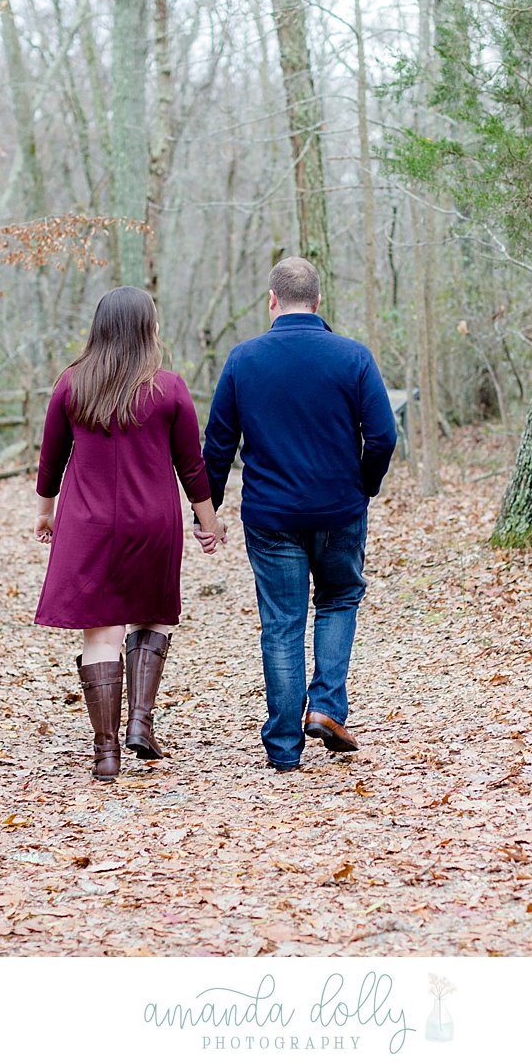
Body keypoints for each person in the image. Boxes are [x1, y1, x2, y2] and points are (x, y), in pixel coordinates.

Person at [201, 257, 397, 772]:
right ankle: (327, 708)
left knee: (282, 624)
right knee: (337, 601)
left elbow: (218, 443)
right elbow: (383, 436)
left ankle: (285, 749)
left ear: (272, 301)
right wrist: (364, 485)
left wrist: (209, 511)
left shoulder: (244, 360)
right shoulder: (353, 357)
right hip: (339, 511)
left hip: (271, 517)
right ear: (317, 302)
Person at [33, 286, 224, 782]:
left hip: (88, 525)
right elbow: (192, 465)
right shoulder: (170, 388)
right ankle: (140, 719)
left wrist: (45, 511)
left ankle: (106, 753)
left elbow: (51, 459)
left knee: (102, 631)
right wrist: (209, 523)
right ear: (147, 330)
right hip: (154, 522)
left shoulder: (72, 386)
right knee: (154, 615)